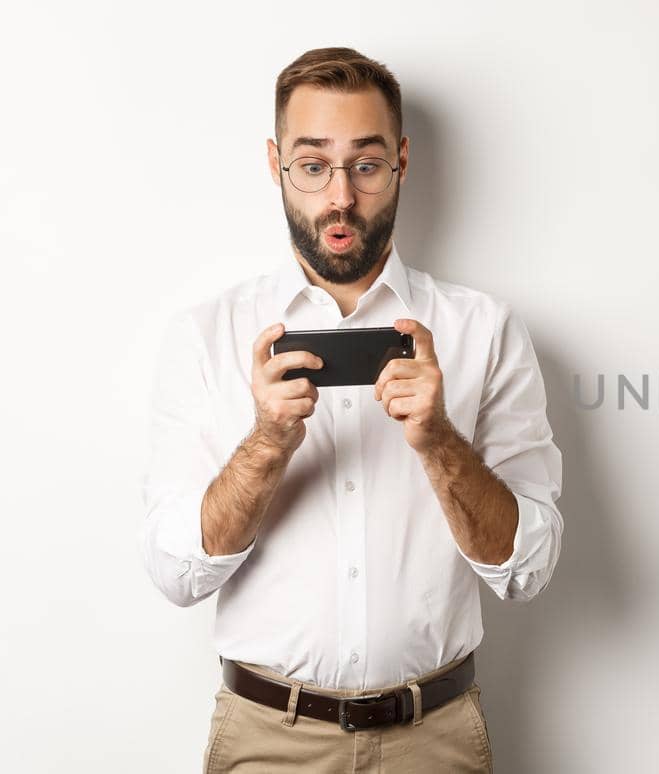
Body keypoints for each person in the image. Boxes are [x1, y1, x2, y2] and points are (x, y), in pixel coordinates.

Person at [137, 46, 563, 773]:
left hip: (436, 739)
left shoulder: (483, 330)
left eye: (365, 165)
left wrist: (438, 443)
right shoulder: (205, 336)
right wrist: (266, 444)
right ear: (276, 165)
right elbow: (176, 576)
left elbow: (527, 571)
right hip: (267, 739)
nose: (339, 197)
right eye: (313, 165)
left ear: (401, 161)